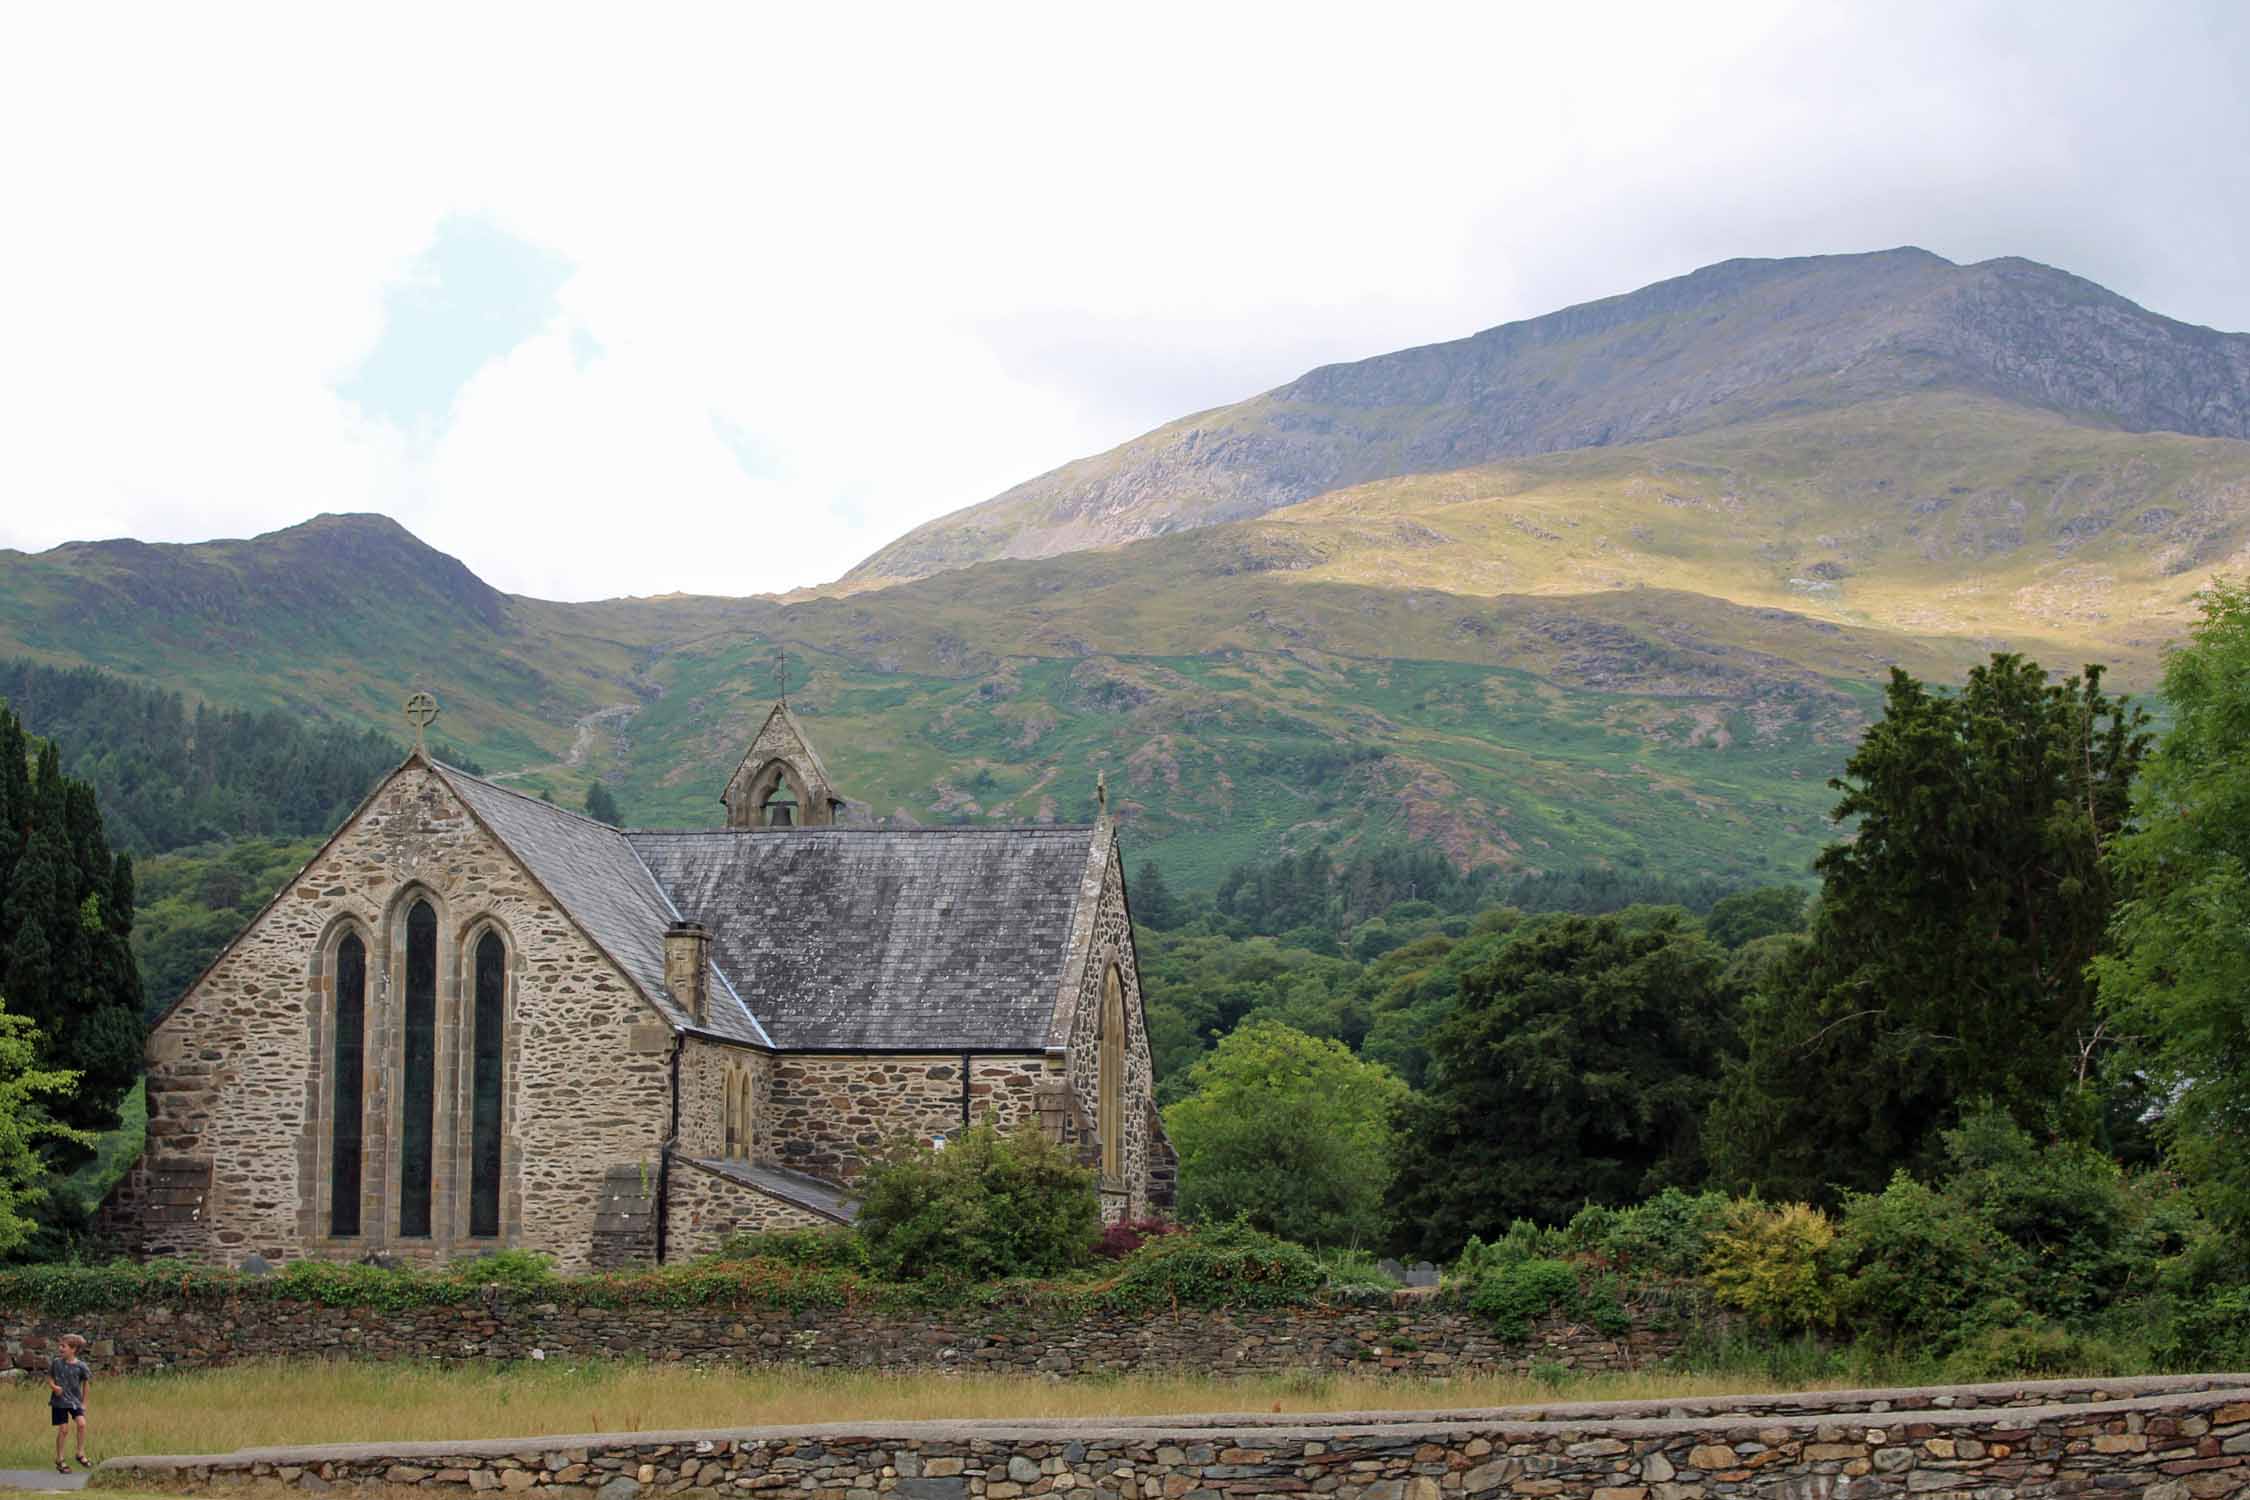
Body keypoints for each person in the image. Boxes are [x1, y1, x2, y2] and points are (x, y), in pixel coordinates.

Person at [48, 1332, 91, 1474]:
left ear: (73, 1349)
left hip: (75, 1402)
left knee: (82, 1424)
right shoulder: (56, 1363)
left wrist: (84, 1403)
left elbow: (86, 1384)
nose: (60, 1348)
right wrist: (54, 1387)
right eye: (60, 1345)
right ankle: (60, 1459)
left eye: (63, 1346)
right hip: (59, 1402)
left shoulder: (82, 1366)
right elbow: (50, 1378)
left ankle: (80, 1453)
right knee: (64, 1430)